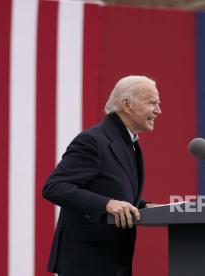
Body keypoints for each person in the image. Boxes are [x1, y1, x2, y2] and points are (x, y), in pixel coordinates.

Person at [42, 75, 162, 276]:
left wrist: (143, 206)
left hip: (112, 263)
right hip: (85, 264)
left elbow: (108, 190)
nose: (158, 111)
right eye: (152, 103)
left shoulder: (128, 142)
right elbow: (54, 186)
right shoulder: (93, 140)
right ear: (127, 105)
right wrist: (107, 204)